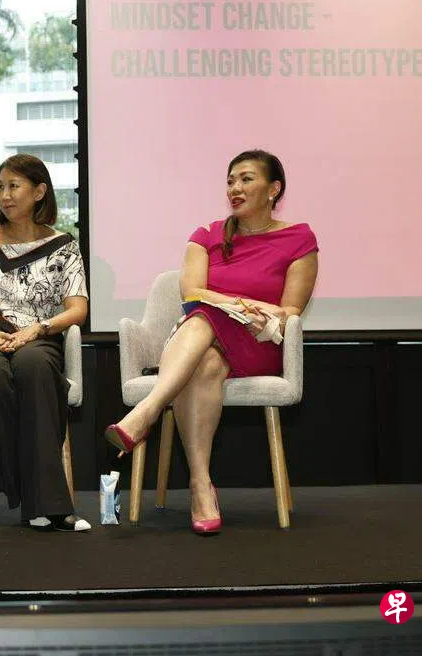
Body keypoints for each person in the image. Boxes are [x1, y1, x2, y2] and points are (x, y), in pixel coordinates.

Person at [105, 149, 319, 535]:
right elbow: (191, 292)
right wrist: (235, 304)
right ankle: (201, 484)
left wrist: (247, 309)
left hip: (257, 343)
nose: (235, 188)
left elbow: (290, 310)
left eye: (246, 179)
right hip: (202, 341)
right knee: (204, 348)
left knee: (206, 315)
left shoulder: (299, 238)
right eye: (230, 181)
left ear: (274, 189)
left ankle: (147, 411)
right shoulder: (206, 234)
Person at [0, 154, 91, 532]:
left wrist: (38, 330)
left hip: (36, 336)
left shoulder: (64, 245)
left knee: (34, 367)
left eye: (14, 186)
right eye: (1, 187)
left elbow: (77, 309)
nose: (5, 195)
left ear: (39, 192)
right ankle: (32, 490)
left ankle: (48, 503)